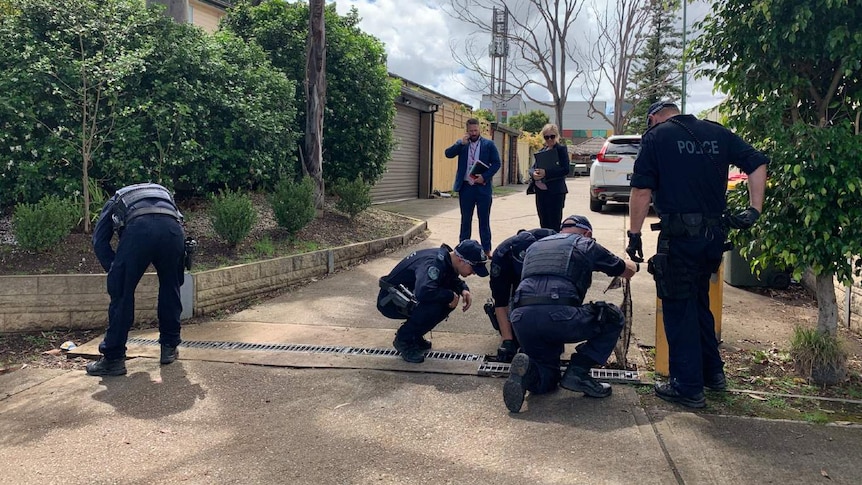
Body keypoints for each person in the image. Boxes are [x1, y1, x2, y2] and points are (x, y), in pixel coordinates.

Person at [626, 101, 768, 408]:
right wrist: (755, 209)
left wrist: (634, 234)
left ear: (653, 118)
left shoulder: (656, 137)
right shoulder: (717, 132)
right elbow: (757, 162)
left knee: (678, 307)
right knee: (699, 302)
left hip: (680, 237)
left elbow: (641, 191)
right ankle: (712, 374)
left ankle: (687, 386)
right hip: (713, 238)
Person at [503, 215, 638, 413]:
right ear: (588, 233)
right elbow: (626, 271)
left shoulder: (536, 246)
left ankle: (528, 373)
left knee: (547, 377)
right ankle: (579, 372)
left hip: (521, 319)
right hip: (559, 316)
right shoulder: (585, 243)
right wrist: (632, 263)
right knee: (612, 316)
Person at [87, 183, 187, 376]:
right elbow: (176, 220)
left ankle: (113, 359)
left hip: (138, 231)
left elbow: (99, 241)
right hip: (172, 232)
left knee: (122, 294)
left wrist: (116, 271)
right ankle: (169, 348)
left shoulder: (116, 199)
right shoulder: (164, 193)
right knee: (170, 288)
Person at [378, 239, 489, 363]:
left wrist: (463, 289)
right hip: (391, 300)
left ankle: (415, 335)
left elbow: (449, 277)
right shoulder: (434, 263)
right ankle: (404, 340)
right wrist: (450, 296)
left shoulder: (446, 259)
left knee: (447, 296)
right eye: (473, 268)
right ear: (460, 260)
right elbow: (424, 291)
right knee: (438, 303)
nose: (474, 273)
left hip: (406, 295)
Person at [487, 227, 557, 363]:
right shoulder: (501, 257)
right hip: (511, 274)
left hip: (542, 274)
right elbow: (501, 301)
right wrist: (507, 342)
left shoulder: (551, 243)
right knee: (514, 335)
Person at [445, 118, 501, 253]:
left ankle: (487, 250)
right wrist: (459, 143)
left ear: (479, 130)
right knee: (465, 220)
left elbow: (497, 163)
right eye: (471, 131)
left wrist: (484, 176)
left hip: (483, 187)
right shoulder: (463, 144)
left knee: (484, 220)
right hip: (466, 187)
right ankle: (463, 249)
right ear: (467, 131)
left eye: (476, 130)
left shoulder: (488, 144)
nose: (474, 133)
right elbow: (448, 154)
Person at [529, 124, 570, 230]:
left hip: (555, 192)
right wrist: (533, 174)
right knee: (543, 222)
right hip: (541, 192)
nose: (549, 139)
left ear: (556, 136)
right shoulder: (542, 151)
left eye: (552, 136)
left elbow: (565, 169)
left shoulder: (561, 150)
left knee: (554, 223)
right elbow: (533, 167)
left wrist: (546, 173)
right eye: (546, 137)